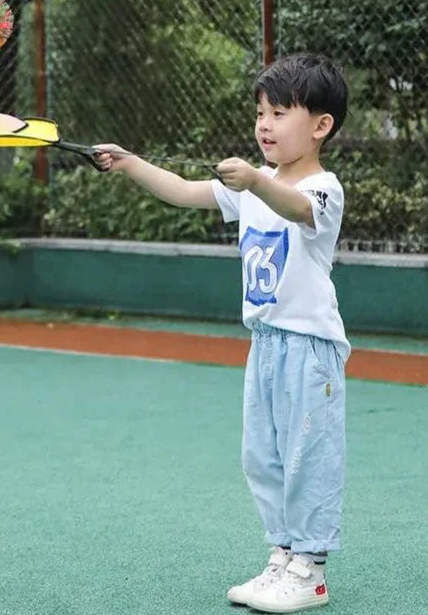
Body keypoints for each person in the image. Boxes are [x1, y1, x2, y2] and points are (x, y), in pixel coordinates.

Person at [95, 52, 350, 614]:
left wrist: (257, 180)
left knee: (309, 455)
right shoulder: (256, 187)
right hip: (263, 346)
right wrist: (131, 162)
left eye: (279, 112)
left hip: (309, 350)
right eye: (261, 112)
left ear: (321, 125)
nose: (264, 124)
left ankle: (311, 570)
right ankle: (282, 557)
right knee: (262, 456)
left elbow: (295, 206)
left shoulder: (322, 190)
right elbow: (186, 191)